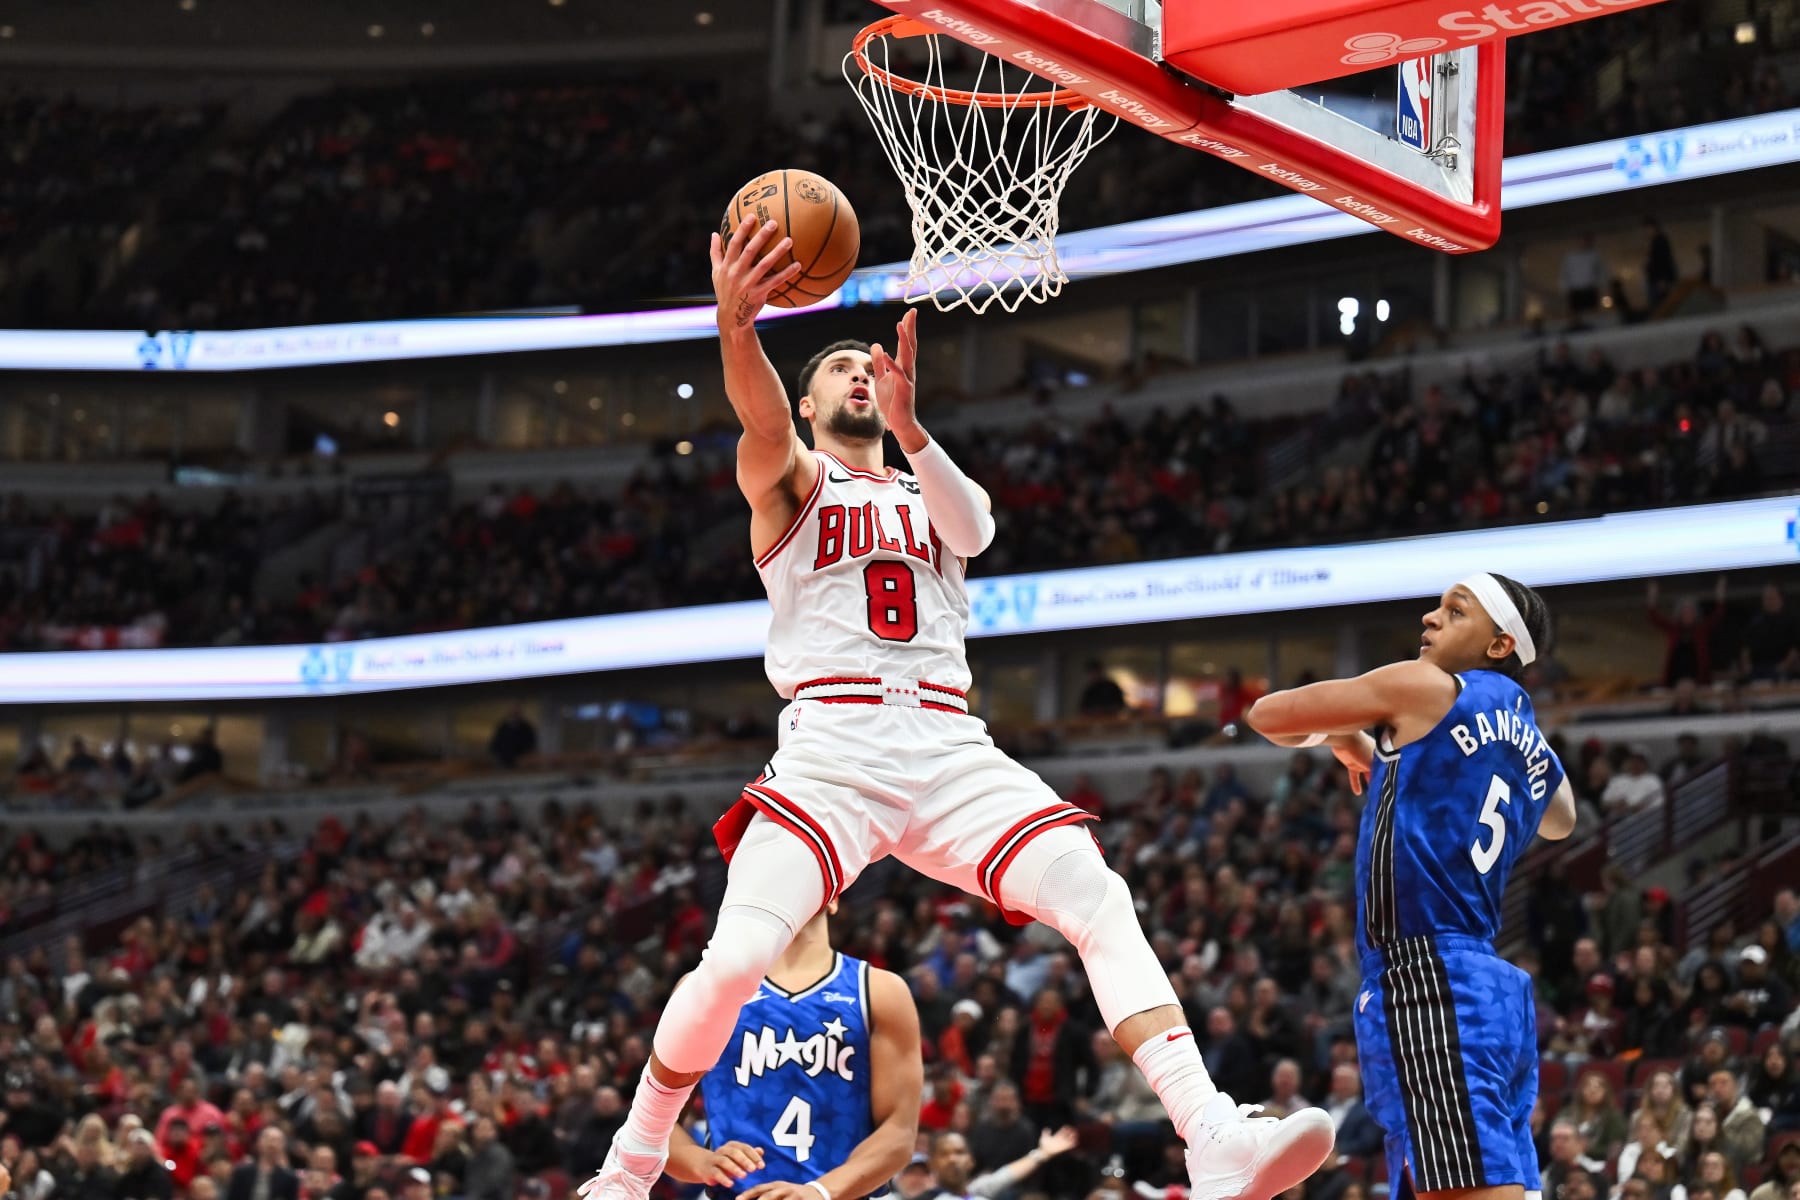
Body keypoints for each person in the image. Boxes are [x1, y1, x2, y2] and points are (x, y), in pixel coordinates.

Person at [579, 214, 1335, 1200]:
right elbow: (760, 429)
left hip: (948, 744)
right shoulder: (794, 483)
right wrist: (737, 331)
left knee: (1098, 898)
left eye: (868, 364)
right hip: (834, 744)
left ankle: (1212, 1134)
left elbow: (974, 528)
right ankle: (630, 1168)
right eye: (838, 369)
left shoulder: (929, 486)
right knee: (732, 966)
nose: (859, 374)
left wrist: (912, 426)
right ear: (809, 403)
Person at [1247, 573, 1578, 1200]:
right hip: (1491, 989)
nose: (1429, 619)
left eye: (1454, 613)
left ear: (1500, 645)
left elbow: (1269, 716)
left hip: (1428, 978)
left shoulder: (1425, 686)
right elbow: (1562, 819)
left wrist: (1342, 731)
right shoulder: (1531, 739)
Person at [663, 899, 922, 1200]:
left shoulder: (880, 991)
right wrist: (701, 1162)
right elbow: (655, 1123)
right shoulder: (704, 988)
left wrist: (821, 1192)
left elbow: (899, 1134)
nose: (789, 882)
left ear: (834, 897)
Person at [917, 1129, 1080, 1200]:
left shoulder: (978, 1193)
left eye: (959, 1152)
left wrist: (1042, 1153)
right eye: (944, 1154)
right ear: (931, 1163)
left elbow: (1003, 1176)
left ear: (971, 1161)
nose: (952, 1159)